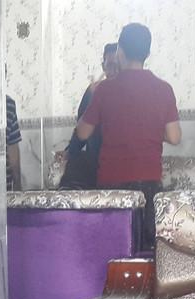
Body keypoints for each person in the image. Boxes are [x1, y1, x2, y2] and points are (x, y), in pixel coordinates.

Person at [76, 23, 180, 251]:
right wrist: (149, 129)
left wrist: (92, 96)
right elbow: (174, 136)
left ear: (120, 51)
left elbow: (83, 132)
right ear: (148, 53)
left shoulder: (104, 90)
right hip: (149, 185)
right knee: (146, 252)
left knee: (112, 251)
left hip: (112, 186)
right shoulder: (164, 89)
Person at [61, 43, 118, 189]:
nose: (114, 71)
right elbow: (81, 127)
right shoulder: (94, 91)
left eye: (118, 66)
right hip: (96, 163)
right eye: (110, 66)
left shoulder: (130, 93)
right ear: (103, 67)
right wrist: (70, 151)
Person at [5, 94, 22, 191]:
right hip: (2, 185)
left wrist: (17, 183)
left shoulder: (8, 103)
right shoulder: (8, 103)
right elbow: (13, 148)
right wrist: (17, 184)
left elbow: (13, 148)